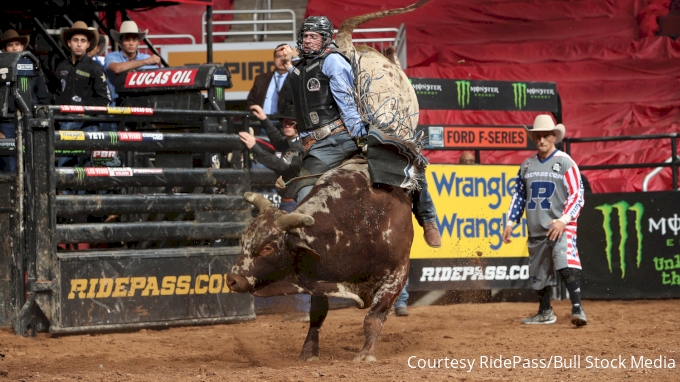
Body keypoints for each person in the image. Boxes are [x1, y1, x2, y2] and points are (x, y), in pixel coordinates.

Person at [277, 16, 441, 248]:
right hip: (317, 149)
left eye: (314, 37)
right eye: (305, 36)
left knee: (407, 160)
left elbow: (346, 101)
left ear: (324, 40)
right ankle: (316, 246)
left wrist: (360, 136)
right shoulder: (297, 69)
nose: (308, 41)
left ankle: (428, 219)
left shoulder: (333, 61)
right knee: (303, 193)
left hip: (345, 136)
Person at [501, 114, 587, 326]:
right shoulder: (527, 166)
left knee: (566, 263)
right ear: (533, 138)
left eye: (546, 136)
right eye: (538, 136)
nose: (542, 140)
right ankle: (545, 311)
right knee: (538, 273)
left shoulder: (566, 163)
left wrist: (563, 220)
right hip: (537, 229)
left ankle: (577, 308)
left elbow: (577, 195)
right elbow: (519, 196)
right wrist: (510, 222)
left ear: (554, 137)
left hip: (561, 227)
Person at [55, 21, 111, 168]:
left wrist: (85, 111)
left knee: (86, 166)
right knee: (65, 166)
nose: (79, 44)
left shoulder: (95, 68)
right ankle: (66, 191)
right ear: (69, 43)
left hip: (88, 124)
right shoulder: (62, 67)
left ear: (88, 45)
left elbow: (105, 99)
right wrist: (58, 116)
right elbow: (55, 94)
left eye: (83, 41)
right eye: (75, 40)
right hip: (65, 122)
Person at [0, 29, 51, 172]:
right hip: (6, 124)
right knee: (10, 166)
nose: (15, 48)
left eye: (18, 44)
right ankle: (12, 194)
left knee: (33, 164)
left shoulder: (32, 64)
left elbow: (43, 95)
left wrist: (40, 119)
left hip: (29, 121)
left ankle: (29, 194)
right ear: (4, 49)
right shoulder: (0, 68)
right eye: (10, 45)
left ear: (23, 47)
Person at [239, 104, 303, 213]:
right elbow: (278, 141)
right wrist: (264, 119)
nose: (287, 125)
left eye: (292, 123)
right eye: (285, 122)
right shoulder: (293, 142)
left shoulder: (297, 146)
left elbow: (281, 165)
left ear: (298, 125)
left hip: (293, 203)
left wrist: (254, 147)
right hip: (293, 201)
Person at [105, 20, 160, 104]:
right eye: (127, 39)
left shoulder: (147, 58)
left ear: (138, 42)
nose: (131, 43)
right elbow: (116, 68)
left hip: (142, 107)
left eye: (134, 39)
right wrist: (145, 62)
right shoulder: (111, 56)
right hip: (116, 107)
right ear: (121, 41)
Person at [246, 44, 291, 123]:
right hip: (262, 124)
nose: (281, 60)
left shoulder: (296, 78)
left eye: (285, 56)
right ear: (273, 59)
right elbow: (251, 102)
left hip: (284, 125)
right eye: (278, 57)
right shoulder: (261, 79)